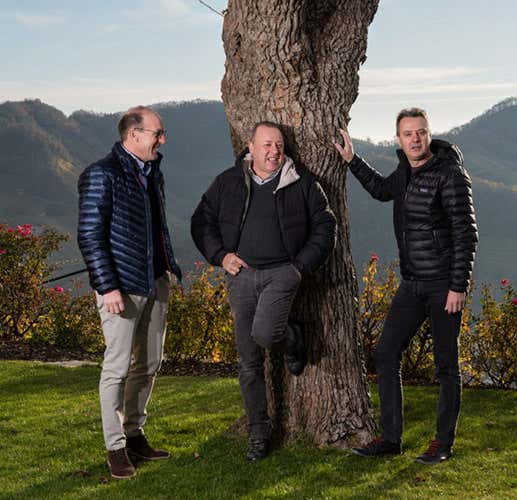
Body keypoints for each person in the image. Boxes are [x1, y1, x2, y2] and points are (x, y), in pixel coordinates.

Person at [335, 108, 478, 465]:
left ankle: (442, 443)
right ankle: (391, 438)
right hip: (412, 284)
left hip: (445, 285)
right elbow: (382, 190)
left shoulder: (450, 175)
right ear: (399, 138)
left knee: (446, 366)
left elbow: (466, 233)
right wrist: (353, 160)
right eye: (407, 133)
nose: (414, 139)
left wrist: (458, 286)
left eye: (420, 132)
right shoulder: (404, 173)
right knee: (386, 354)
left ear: (429, 135)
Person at [191, 121, 336, 462]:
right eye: (267, 145)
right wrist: (220, 255)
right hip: (241, 275)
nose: (274, 152)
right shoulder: (228, 181)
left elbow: (325, 225)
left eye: (279, 146)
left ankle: (288, 335)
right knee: (248, 362)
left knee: (265, 334)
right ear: (251, 147)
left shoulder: (301, 182)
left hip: (282, 273)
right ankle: (259, 431)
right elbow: (202, 220)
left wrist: (300, 266)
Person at [77, 106, 182, 479]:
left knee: (149, 364)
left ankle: (135, 434)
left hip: (156, 282)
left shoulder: (152, 172)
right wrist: (107, 286)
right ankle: (115, 447)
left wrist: (166, 267)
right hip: (119, 289)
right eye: (157, 132)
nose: (162, 139)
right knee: (117, 368)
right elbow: (90, 235)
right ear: (133, 135)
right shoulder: (101, 174)